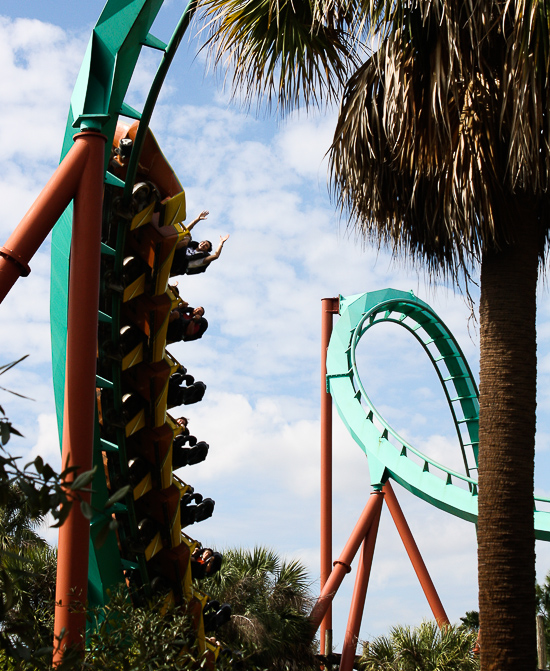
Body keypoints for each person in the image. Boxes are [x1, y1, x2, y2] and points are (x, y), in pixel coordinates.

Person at [170, 210, 230, 276]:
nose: (204, 244)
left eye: (206, 245)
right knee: (186, 235)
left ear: (206, 250)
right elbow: (184, 231)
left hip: (178, 265)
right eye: (203, 242)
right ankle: (169, 247)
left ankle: (170, 248)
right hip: (174, 254)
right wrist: (197, 219)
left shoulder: (202, 259)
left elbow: (215, 256)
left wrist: (221, 243)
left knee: (186, 238)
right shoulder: (190, 245)